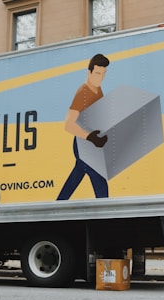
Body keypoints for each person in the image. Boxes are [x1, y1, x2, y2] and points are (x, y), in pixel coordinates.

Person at [56, 54, 110, 200]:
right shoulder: (83, 93)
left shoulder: (97, 89)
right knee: (98, 177)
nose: (100, 77)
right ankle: (107, 213)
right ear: (89, 72)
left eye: (103, 74)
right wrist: (90, 137)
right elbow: (68, 124)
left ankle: (59, 204)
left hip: (92, 142)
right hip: (83, 143)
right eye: (97, 73)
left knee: (78, 173)